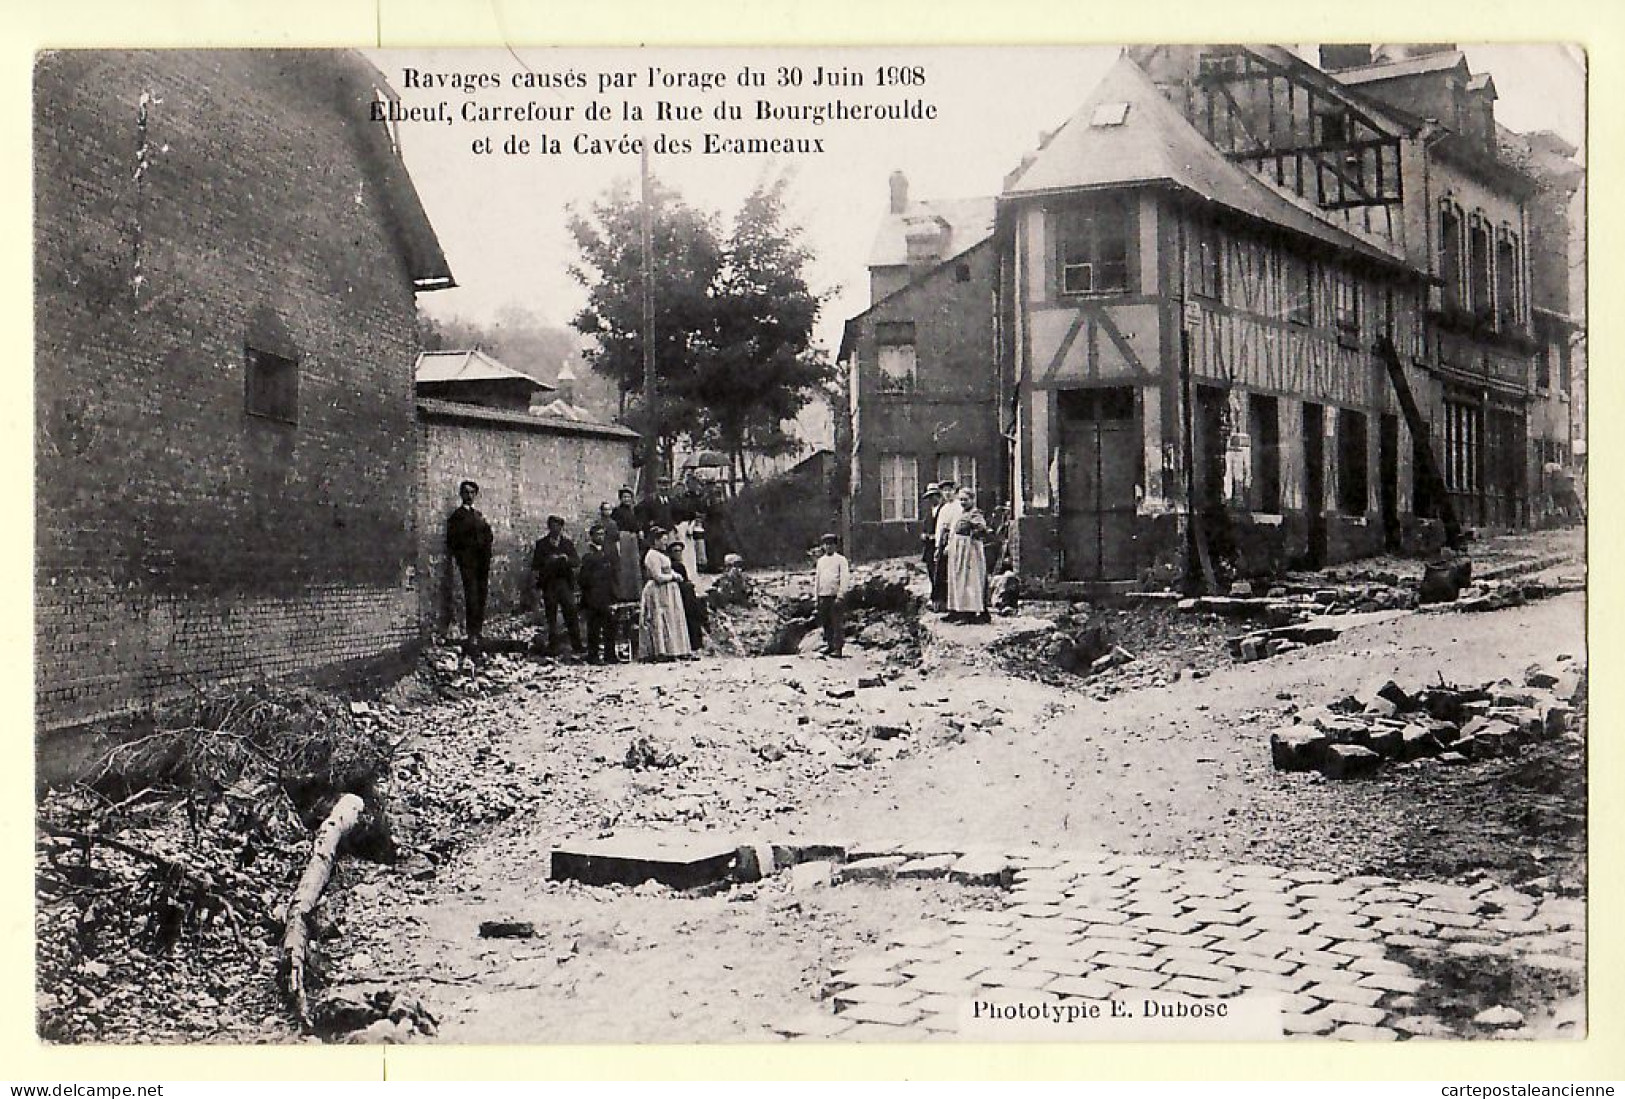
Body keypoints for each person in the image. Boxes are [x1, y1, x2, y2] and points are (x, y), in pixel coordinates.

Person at [445, 480, 493, 648]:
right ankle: (471, 633)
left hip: (481, 564)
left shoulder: (479, 516)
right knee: (471, 597)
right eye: (466, 492)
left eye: (472, 493)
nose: (469, 496)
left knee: (481, 596)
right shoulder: (457, 517)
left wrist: (486, 555)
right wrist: (463, 558)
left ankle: (478, 631)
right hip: (468, 564)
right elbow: (453, 541)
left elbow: (488, 536)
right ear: (461, 494)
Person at [638, 526, 693, 661]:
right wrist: (673, 577)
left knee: (672, 619)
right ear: (655, 541)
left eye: (665, 540)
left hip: (668, 591)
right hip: (658, 591)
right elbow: (657, 576)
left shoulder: (662, 554)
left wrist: (675, 574)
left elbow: (667, 570)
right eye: (662, 540)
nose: (664, 543)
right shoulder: (652, 555)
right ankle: (662, 651)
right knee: (660, 619)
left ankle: (675, 649)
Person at [531, 515, 582, 656]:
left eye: (559, 526)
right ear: (549, 527)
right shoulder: (541, 544)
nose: (556, 529)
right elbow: (535, 565)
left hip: (564, 582)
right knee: (551, 615)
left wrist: (566, 559)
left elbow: (576, 561)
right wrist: (548, 562)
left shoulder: (567, 544)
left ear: (561, 528)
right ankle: (553, 646)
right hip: (549, 584)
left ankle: (577, 645)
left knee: (571, 612)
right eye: (553, 526)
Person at [945, 487, 990, 624]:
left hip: (969, 551)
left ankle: (968, 613)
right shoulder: (961, 513)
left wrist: (972, 533)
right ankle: (955, 610)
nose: (963, 502)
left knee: (968, 581)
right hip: (958, 549)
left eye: (966, 499)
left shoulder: (975, 513)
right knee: (956, 579)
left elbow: (983, 528)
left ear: (972, 500)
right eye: (961, 500)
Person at [578, 523, 621, 664]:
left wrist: (614, 593)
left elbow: (614, 574)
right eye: (598, 534)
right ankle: (593, 656)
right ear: (592, 537)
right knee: (594, 628)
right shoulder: (588, 555)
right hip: (593, 596)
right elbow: (583, 578)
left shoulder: (608, 553)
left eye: (603, 534)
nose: (601, 537)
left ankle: (610, 654)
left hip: (607, 595)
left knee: (610, 626)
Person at [815, 532, 851, 658]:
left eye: (831, 544)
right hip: (823, 595)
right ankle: (830, 645)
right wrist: (817, 597)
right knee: (826, 622)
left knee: (836, 623)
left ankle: (838, 648)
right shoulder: (821, 561)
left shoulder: (841, 560)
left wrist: (841, 595)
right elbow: (817, 579)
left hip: (835, 596)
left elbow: (845, 578)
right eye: (826, 544)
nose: (828, 547)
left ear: (835, 546)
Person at [667, 538, 706, 651]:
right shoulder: (675, 566)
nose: (679, 553)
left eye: (680, 551)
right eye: (676, 551)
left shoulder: (680, 565)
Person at [932, 479, 963, 613]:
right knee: (941, 573)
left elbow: (956, 528)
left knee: (954, 574)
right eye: (945, 491)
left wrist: (949, 545)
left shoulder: (959, 507)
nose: (947, 493)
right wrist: (938, 546)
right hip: (943, 542)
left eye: (950, 490)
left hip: (955, 542)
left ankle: (956, 606)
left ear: (955, 491)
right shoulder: (944, 508)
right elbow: (939, 528)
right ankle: (942, 604)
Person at [608, 488, 644, 600]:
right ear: (621, 499)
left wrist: (639, 531)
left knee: (634, 565)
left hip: (633, 539)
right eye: (624, 497)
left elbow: (636, 524)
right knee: (624, 566)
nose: (627, 499)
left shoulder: (633, 511)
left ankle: (635, 593)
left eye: (628, 497)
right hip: (623, 538)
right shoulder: (617, 511)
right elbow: (614, 527)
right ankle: (625, 594)